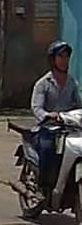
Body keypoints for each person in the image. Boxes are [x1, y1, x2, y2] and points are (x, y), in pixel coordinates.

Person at [30, 40, 81, 195]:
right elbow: (37, 108)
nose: (64, 60)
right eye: (61, 56)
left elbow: (78, 104)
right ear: (53, 60)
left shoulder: (72, 82)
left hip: (68, 129)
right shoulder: (43, 84)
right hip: (47, 129)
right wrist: (48, 115)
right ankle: (43, 187)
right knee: (47, 149)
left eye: (66, 57)